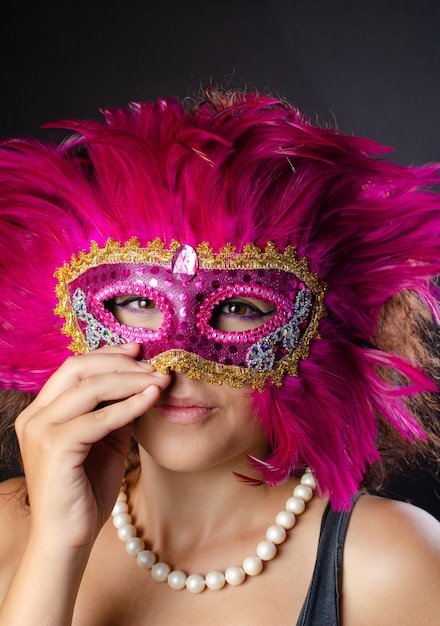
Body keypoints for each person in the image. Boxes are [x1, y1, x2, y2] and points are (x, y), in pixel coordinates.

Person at [0, 87, 439, 625]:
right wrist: (56, 551)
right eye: (138, 301)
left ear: (327, 327)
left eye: (240, 307)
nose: (180, 360)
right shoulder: (10, 530)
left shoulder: (392, 564)